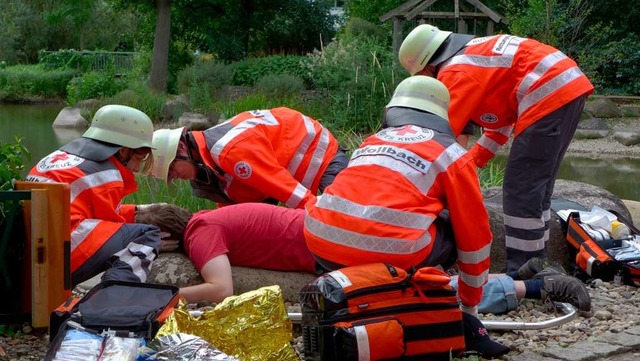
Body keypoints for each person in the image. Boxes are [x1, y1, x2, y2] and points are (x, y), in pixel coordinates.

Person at [136, 203, 591, 313]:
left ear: (165, 235)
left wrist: (163, 294)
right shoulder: (217, 214)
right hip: (339, 230)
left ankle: (535, 287)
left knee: (408, 297)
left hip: (335, 248)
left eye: (148, 243)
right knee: (413, 283)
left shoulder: (202, 229)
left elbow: (220, 289)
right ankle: (525, 272)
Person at [398, 24, 595, 272]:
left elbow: (439, 135)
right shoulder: (475, 58)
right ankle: (540, 262)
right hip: (566, 84)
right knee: (537, 189)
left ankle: (524, 270)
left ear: (426, 68)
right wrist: (473, 162)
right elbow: (499, 123)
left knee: (521, 188)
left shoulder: (455, 71)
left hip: (549, 90)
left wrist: (410, 179)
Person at [303, 75, 493, 316]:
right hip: (393, 253)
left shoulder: (372, 141)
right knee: (455, 222)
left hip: (321, 243)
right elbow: (474, 234)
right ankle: (407, 294)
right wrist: (469, 302)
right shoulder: (453, 155)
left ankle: (351, 289)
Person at [26, 105, 164, 286]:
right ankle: (114, 293)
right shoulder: (108, 175)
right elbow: (113, 228)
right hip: (60, 254)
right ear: (123, 150)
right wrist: (157, 242)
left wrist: (136, 211)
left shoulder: (57, 157)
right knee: (148, 235)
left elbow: (87, 210)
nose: (137, 168)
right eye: (139, 158)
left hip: (32, 248)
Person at [150, 107, 348, 209]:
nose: (174, 177)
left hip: (321, 157)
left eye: (171, 169)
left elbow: (291, 192)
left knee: (341, 216)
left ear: (182, 148)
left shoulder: (231, 151)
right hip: (294, 169)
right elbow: (232, 209)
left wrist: (322, 218)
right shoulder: (209, 158)